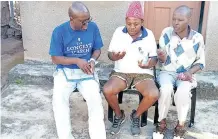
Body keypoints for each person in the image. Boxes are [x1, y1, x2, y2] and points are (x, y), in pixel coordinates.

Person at [49, 2, 106, 139]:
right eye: (82, 22)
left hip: (86, 70)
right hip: (65, 71)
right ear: (71, 19)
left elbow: (97, 49)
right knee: (59, 101)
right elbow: (55, 58)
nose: (86, 25)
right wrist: (76, 60)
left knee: (95, 100)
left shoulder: (92, 27)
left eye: (88, 20)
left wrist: (92, 60)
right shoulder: (59, 31)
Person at [103, 1, 159, 136]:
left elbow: (154, 58)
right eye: (129, 24)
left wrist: (148, 64)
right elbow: (110, 54)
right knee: (107, 90)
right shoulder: (118, 32)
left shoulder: (149, 34)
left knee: (154, 94)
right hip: (121, 72)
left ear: (142, 22)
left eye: (136, 24)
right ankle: (119, 115)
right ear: (125, 21)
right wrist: (114, 57)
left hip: (143, 74)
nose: (132, 27)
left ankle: (136, 116)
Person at [153, 5, 205, 139]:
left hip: (187, 74)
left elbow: (200, 63)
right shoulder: (166, 32)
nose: (176, 22)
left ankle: (180, 126)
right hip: (167, 72)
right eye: (174, 19)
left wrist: (189, 72)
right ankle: (162, 122)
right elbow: (162, 59)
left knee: (183, 92)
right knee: (165, 89)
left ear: (189, 19)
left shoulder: (197, 38)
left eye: (180, 20)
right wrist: (161, 56)